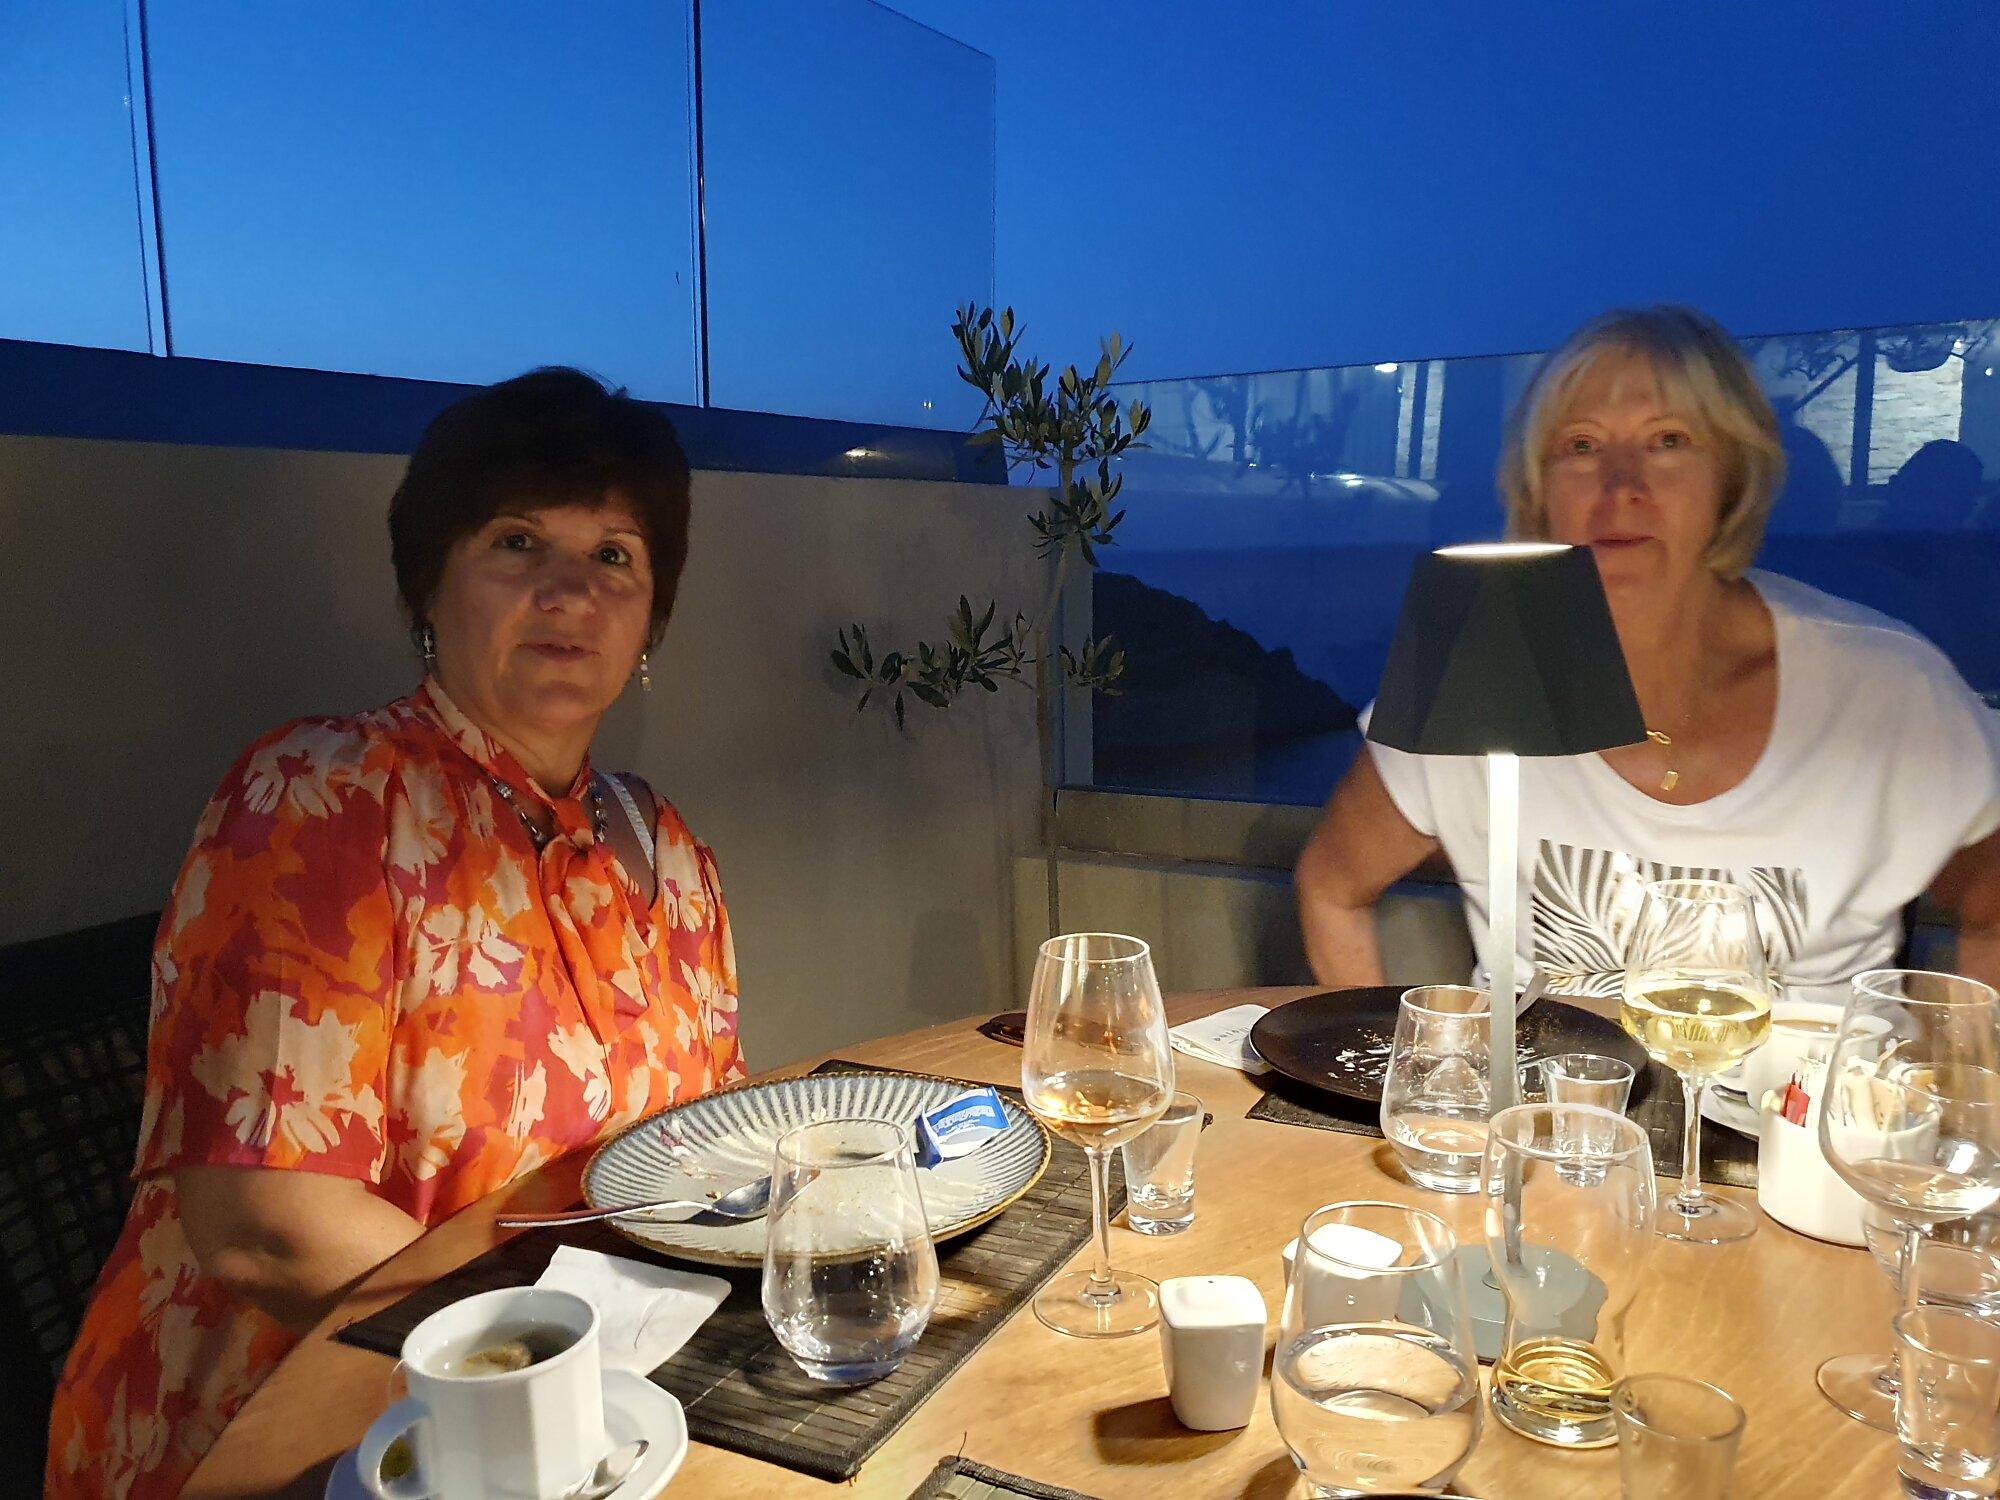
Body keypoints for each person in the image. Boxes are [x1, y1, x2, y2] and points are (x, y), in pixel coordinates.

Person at [47, 368, 744, 1499]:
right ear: (429, 584)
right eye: (518, 542)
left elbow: (708, 1144)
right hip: (297, 1430)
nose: (571, 589)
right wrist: (559, 1362)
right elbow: (266, 1225)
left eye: (614, 554)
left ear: (649, 617)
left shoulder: (665, 848)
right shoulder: (323, 796)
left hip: (592, 1418)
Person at [1297, 306, 2000, 1004]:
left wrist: (1963, 1060)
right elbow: (1331, 886)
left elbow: (1991, 908)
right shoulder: (1478, 674)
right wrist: (1383, 1061)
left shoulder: (1886, 687)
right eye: (1581, 446)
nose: (1622, 484)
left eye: (1668, 440)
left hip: (1818, 1084)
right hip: (1540, 1083)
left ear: (1731, 478)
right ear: (1539, 490)